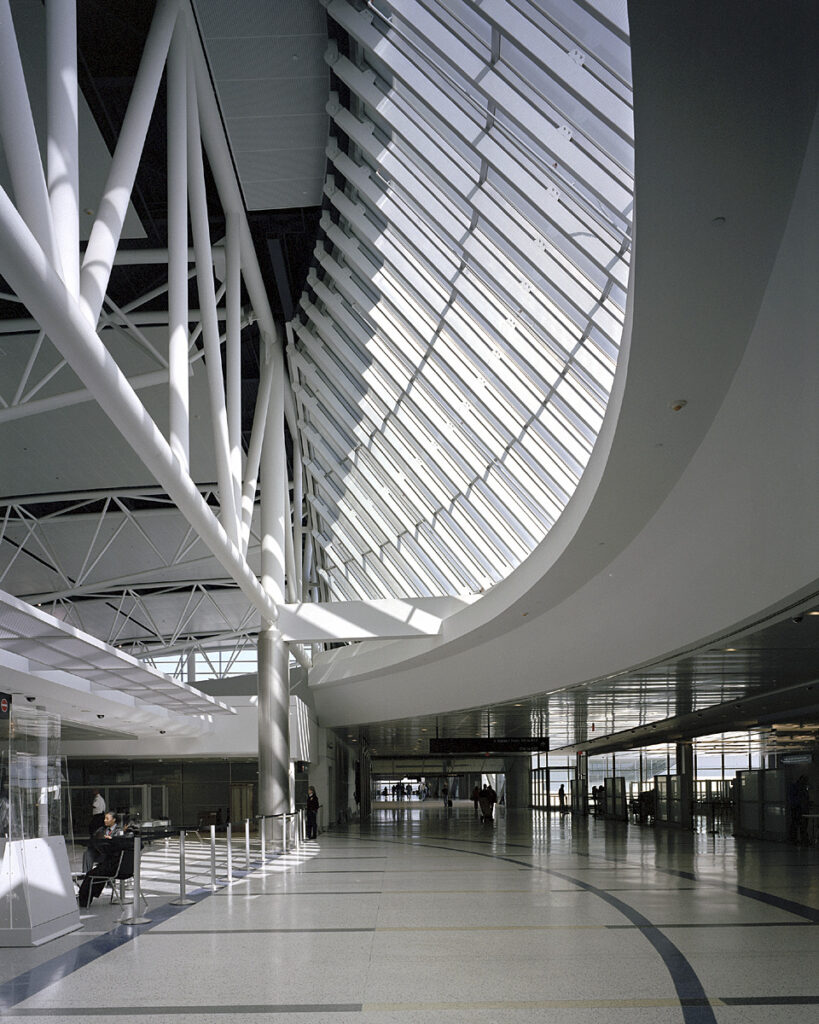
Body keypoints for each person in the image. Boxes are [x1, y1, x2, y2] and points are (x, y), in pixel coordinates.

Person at [77, 811, 125, 906]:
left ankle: (86, 896)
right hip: (101, 852)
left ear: (114, 820)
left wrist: (112, 840)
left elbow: (120, 844)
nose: (105, 821)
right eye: (104, 818)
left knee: (95, 874)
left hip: (111, 858)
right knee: (88, 853)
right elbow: (94, 838)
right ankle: (86, 872)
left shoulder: (119, 831)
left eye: (107, 818)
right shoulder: (101, 829)